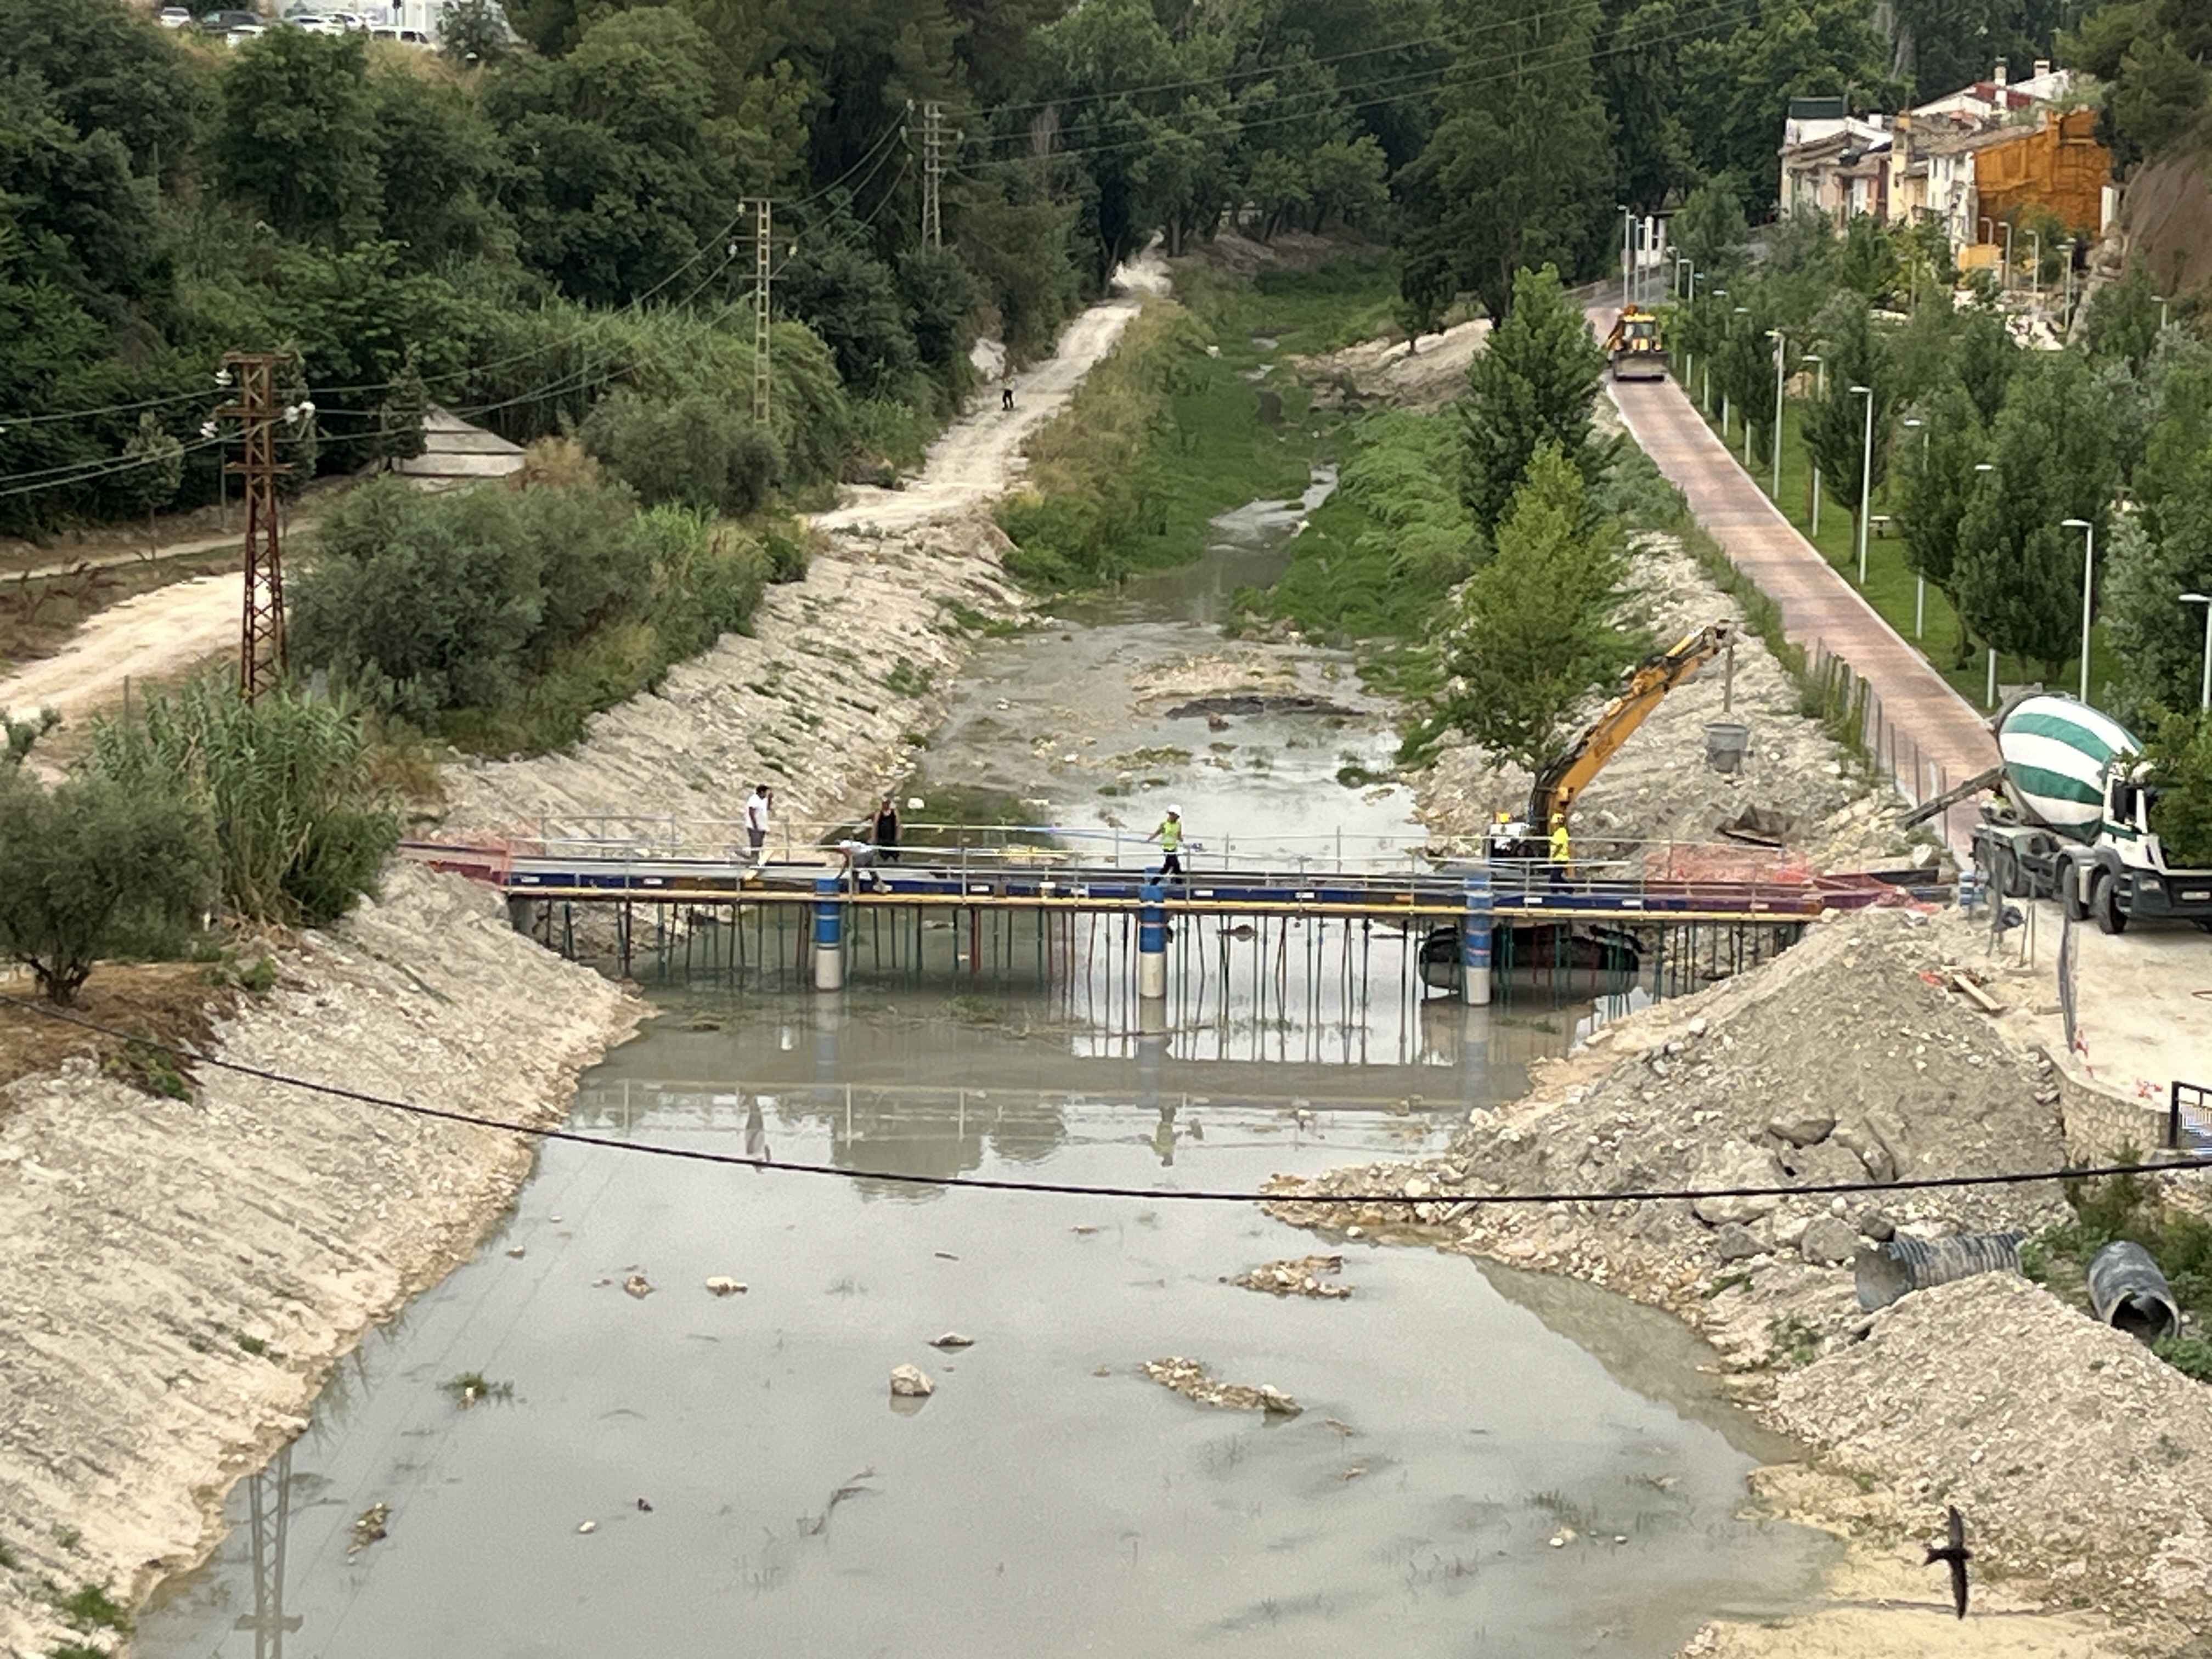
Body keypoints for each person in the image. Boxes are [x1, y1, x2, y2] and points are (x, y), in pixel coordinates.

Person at [1146, 806, 1186, 879]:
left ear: (1177, 816)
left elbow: (1179, 836)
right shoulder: (1164, 824)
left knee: (1167, 867)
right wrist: (1149, 839)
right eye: (1170, 814)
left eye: (1172, 815)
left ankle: (1154, 882)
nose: (1171, 816)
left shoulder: (1178, 825)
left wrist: (1185, 843)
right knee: (1176, 865)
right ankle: (1179, 882)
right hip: (1166, 848)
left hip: (1173, 847)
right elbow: (1157, 833)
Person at [744, 784, 772, 857]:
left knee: (759, 845)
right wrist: (755, 825)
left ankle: (756, 859)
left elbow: (768, 808)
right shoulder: (754, 799)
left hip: (761, 826)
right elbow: (751, 812)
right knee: (755, 845)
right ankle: (754, 860)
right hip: (755, 826)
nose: (767, 794)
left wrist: (770, 799)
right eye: (766, 792)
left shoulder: (763, 800)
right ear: (762, 792)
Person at [873, 796, 901, 864]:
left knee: (895, 854)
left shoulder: (894, 812)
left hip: (892, 838)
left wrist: (899, 835)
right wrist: (874, 837)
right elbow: (875, 825)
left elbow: (898, 824)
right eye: (884, 803)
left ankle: (898, 865)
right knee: (883, 854)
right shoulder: (879, 813)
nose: (885, 805)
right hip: (882, 838)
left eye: (886, 803)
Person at [1548, 814, 1574, 882]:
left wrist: (1552, 857)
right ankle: (1567, 891)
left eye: (1554, 824)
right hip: (1559, 858)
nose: (1553, 826)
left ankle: (1570, 891)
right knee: (1555, 877)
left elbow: (1559, 846)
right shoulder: (1560, 832)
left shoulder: (1561, 832)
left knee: (1555, 877)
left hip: (1560, 858)